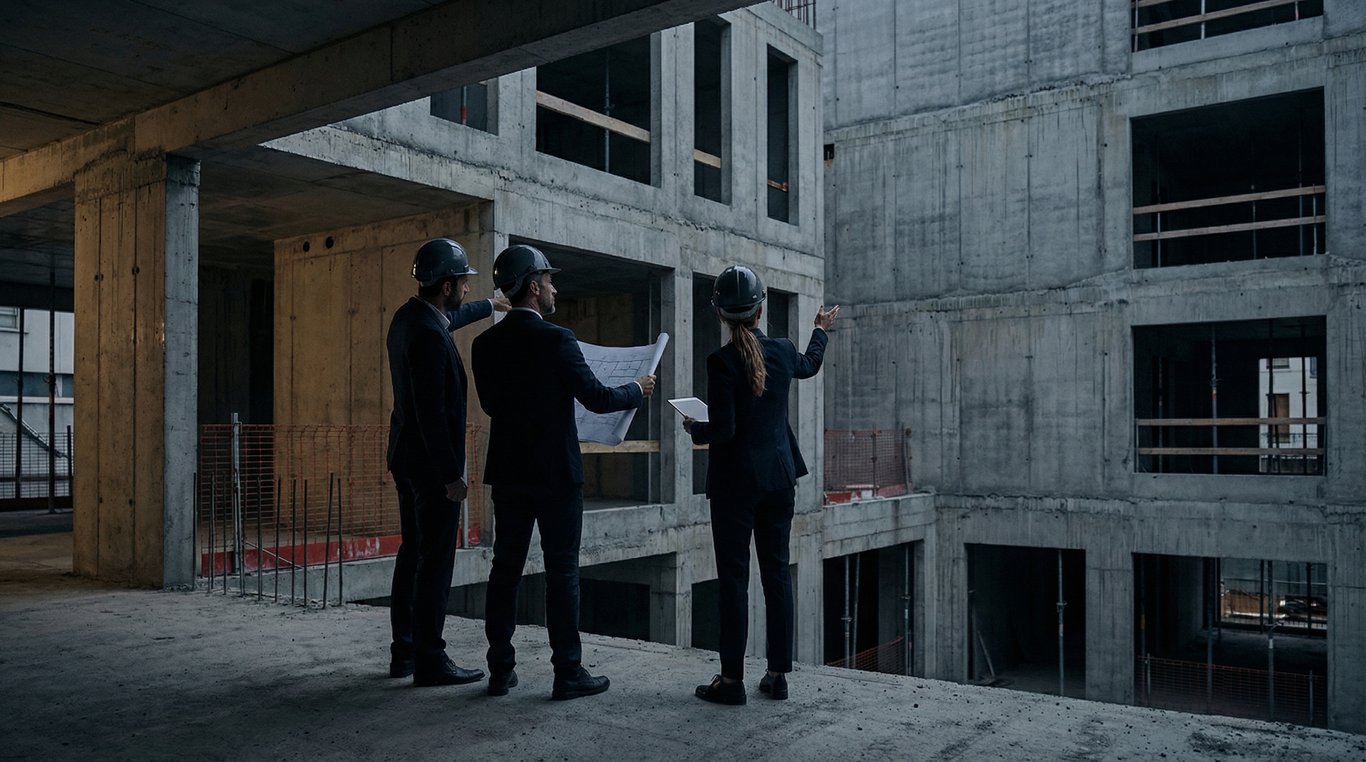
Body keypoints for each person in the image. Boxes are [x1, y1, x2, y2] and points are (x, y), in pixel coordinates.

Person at [472, 244, 656, 700]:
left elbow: (493, 405)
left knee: (505, 570)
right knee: (562, 574)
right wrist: (637, 388)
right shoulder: (558, 340)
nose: (555, 287)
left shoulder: (483, 344)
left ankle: (500, 670)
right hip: (556, 474)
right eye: (549, 280)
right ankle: (567, 673)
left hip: (510, 473)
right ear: (534, 288)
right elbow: (597, 398)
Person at [685, 265, 838, 705]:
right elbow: (809, 366)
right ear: (761, 307)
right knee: (777, 576)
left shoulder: (721, 361)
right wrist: (820, 329)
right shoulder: (784, 350)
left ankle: (731, 681)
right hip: (779, 480)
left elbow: (726, 429)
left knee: (733, 580)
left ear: (720, 312)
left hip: (736, 486)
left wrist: (696, 429)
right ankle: (777, 676)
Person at [386, 237, 505, 686]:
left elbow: (451, 319)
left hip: (405, 456)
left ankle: (406, 652)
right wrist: (451, 476)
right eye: (463, 284)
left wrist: (493, 307)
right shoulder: (430, 339)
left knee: (412, 553)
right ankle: (431, 659)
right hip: (431, 467)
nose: (466, 291)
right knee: (435, 561)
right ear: (447, 285)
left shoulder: (410, 319)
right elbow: (432, 413)